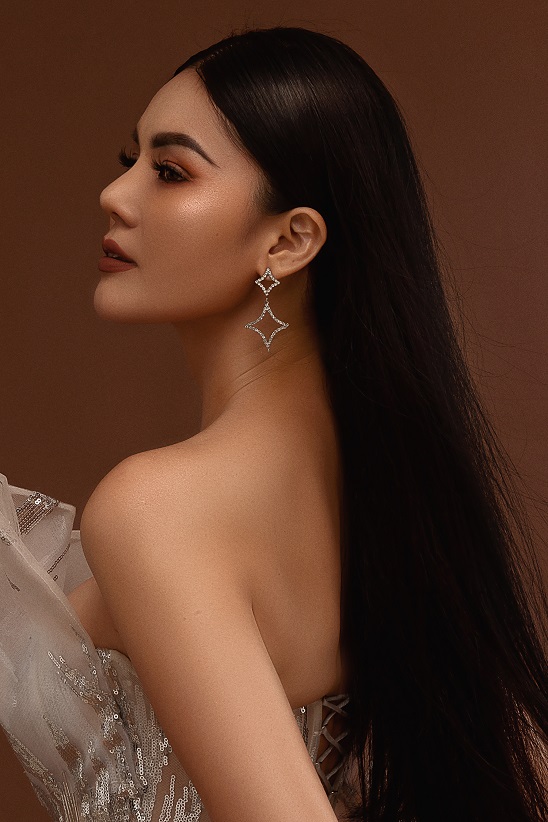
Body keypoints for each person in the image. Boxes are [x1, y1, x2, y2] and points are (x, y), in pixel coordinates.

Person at [0, 25, 546, 822]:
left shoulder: (163, 508)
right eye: (131, 160)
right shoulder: (398, 487)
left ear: (289, 241)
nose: (115, 195)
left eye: (169, 171)